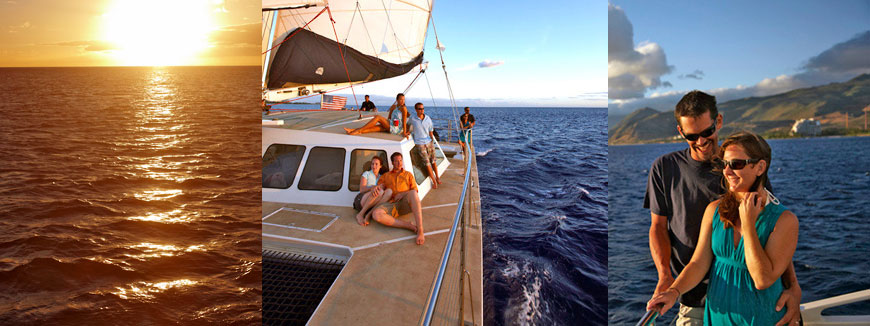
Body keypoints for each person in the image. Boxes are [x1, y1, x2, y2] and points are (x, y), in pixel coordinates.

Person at [644, 90, 801, 325]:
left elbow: (773, 237)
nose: (701, 141)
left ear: (718, 121)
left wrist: (794, 286)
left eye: (707, 132)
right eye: (691, 135)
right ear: (681, 132)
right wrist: (667, 281)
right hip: (696, 296)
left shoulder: (749, 176)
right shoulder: (666, 169)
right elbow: (659, 229)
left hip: (756, 301)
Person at [369, 152, 426, 245]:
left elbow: (415, 190)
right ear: (392, 163)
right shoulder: (386, 176)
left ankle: (420, 230)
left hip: (405, 203)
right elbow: (380, 187)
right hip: (391, 203)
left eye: (400, 160)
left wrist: (403, 194)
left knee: (412, 193)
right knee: (376, 214)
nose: (399, 163)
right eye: (396, 161)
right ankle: (408, 226)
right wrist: (375, 187)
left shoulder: (408, 175)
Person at [407, 102, 442, 189]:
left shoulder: (428, 118)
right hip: (420, 143)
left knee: (433, 161)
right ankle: (434, 181)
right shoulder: (413, 118)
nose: (422, 110)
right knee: (427, 163)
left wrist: (432, 140)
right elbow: (407, 124)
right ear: (416, 110)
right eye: (419, 109)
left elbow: (431, 130)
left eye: (422, 108)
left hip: (429, 142)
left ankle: (437, 177)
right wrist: (407, 132)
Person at [344, 93, 409, 137]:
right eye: (401, 99)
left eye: (403, 99)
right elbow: (389, 118)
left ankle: (357, 130)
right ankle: (354, 130)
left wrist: (405, 133)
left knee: (378, 117)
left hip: (396, 128)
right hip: (390, 124)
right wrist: (384, 123)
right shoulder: (393, 107)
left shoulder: (404, 109)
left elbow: (404, 121)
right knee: (374, 128)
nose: (402, 101)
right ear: (397, 100)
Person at [354, 156, 391, 226]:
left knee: (389, 192)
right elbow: (361, 189)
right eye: (372, 164)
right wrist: (372, 187)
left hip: (372, 204)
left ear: (380, 166)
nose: (374, 166)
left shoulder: (381, 177)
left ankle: (369, 214)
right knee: (379, 191)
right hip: (361, 200)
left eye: (376, 164)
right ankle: (360, 214)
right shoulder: (366, 174)